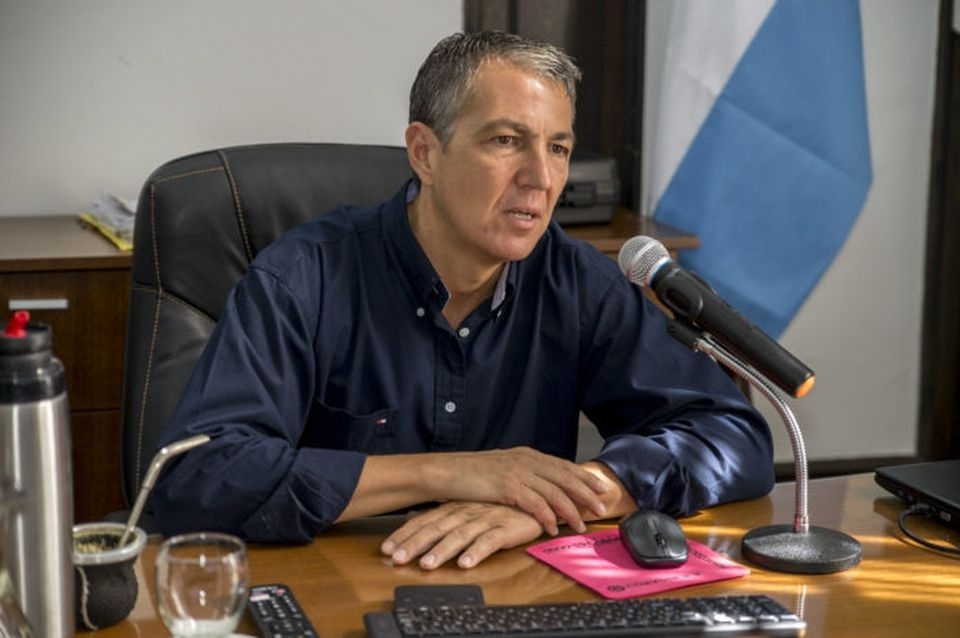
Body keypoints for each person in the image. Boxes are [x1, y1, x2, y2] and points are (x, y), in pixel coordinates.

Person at [152, 31, 774, 570]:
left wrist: (560, 497)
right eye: (506, 140)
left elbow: (732, 437)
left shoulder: (578, 282)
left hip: (515, 590)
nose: (541, 178)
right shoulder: (302, 277)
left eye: (557, 148)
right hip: (334, 590)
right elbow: (195, 479)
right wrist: (451, 471)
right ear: (425, 153)